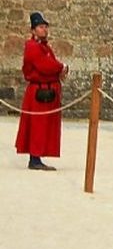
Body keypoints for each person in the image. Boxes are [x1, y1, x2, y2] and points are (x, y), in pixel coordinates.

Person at [16, 12, 68, 171]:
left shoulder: (44, 47)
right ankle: (34, 158)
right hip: (39, 92)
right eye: (40, 27)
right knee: (38, 126)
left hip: (48, 90)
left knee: (43, 126)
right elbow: (45, 65)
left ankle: (37, 157)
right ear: (33, 30)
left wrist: (59, 69)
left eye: (45, 27)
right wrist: (61, 67)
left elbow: (50, 62)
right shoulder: (32, 47)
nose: (44, 30)